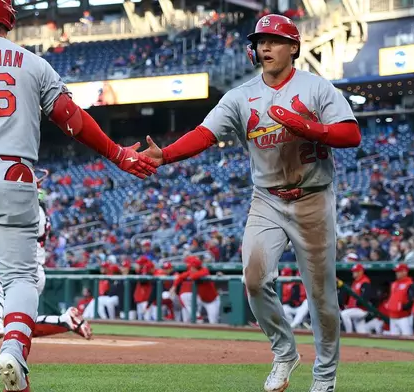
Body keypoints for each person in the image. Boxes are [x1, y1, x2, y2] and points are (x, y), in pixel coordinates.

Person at [0, 1, 156, 391]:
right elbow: (72, 120)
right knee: (20, 277)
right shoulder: (32, 62)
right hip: (14, 171)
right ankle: (12, 346)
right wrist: (117, 153)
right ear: (9, 18)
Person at [140, 14, 361, 392]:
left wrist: (310, 128)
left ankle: (324, 378)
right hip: (268, 200)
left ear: (293, 47)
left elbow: (351, 134)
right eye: (261, 41)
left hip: (313, 197)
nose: (266, 47)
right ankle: (285, 352)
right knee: (255, 280)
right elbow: (205, 134)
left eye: (274, 40)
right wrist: (167, 156)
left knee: (322, 296)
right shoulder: (241, 96)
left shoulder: (316, 87)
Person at [0, 188, 92, 340]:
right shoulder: (36, 212)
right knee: (17, 322)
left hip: (24, 270)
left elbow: (16, 238)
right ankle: (64, 321)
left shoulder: (35, 212)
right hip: (31, 270)